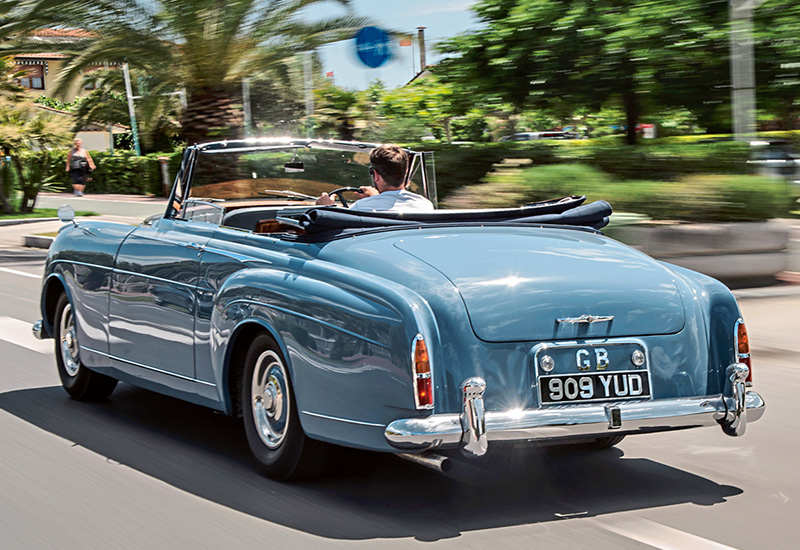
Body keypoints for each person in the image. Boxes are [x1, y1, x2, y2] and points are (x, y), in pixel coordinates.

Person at [316, 145, 434, 212]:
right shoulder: (424, 205)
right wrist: (375, 197)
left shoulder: (361, 208)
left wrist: (326, 208)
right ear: (406, 172)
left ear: (376, 175)